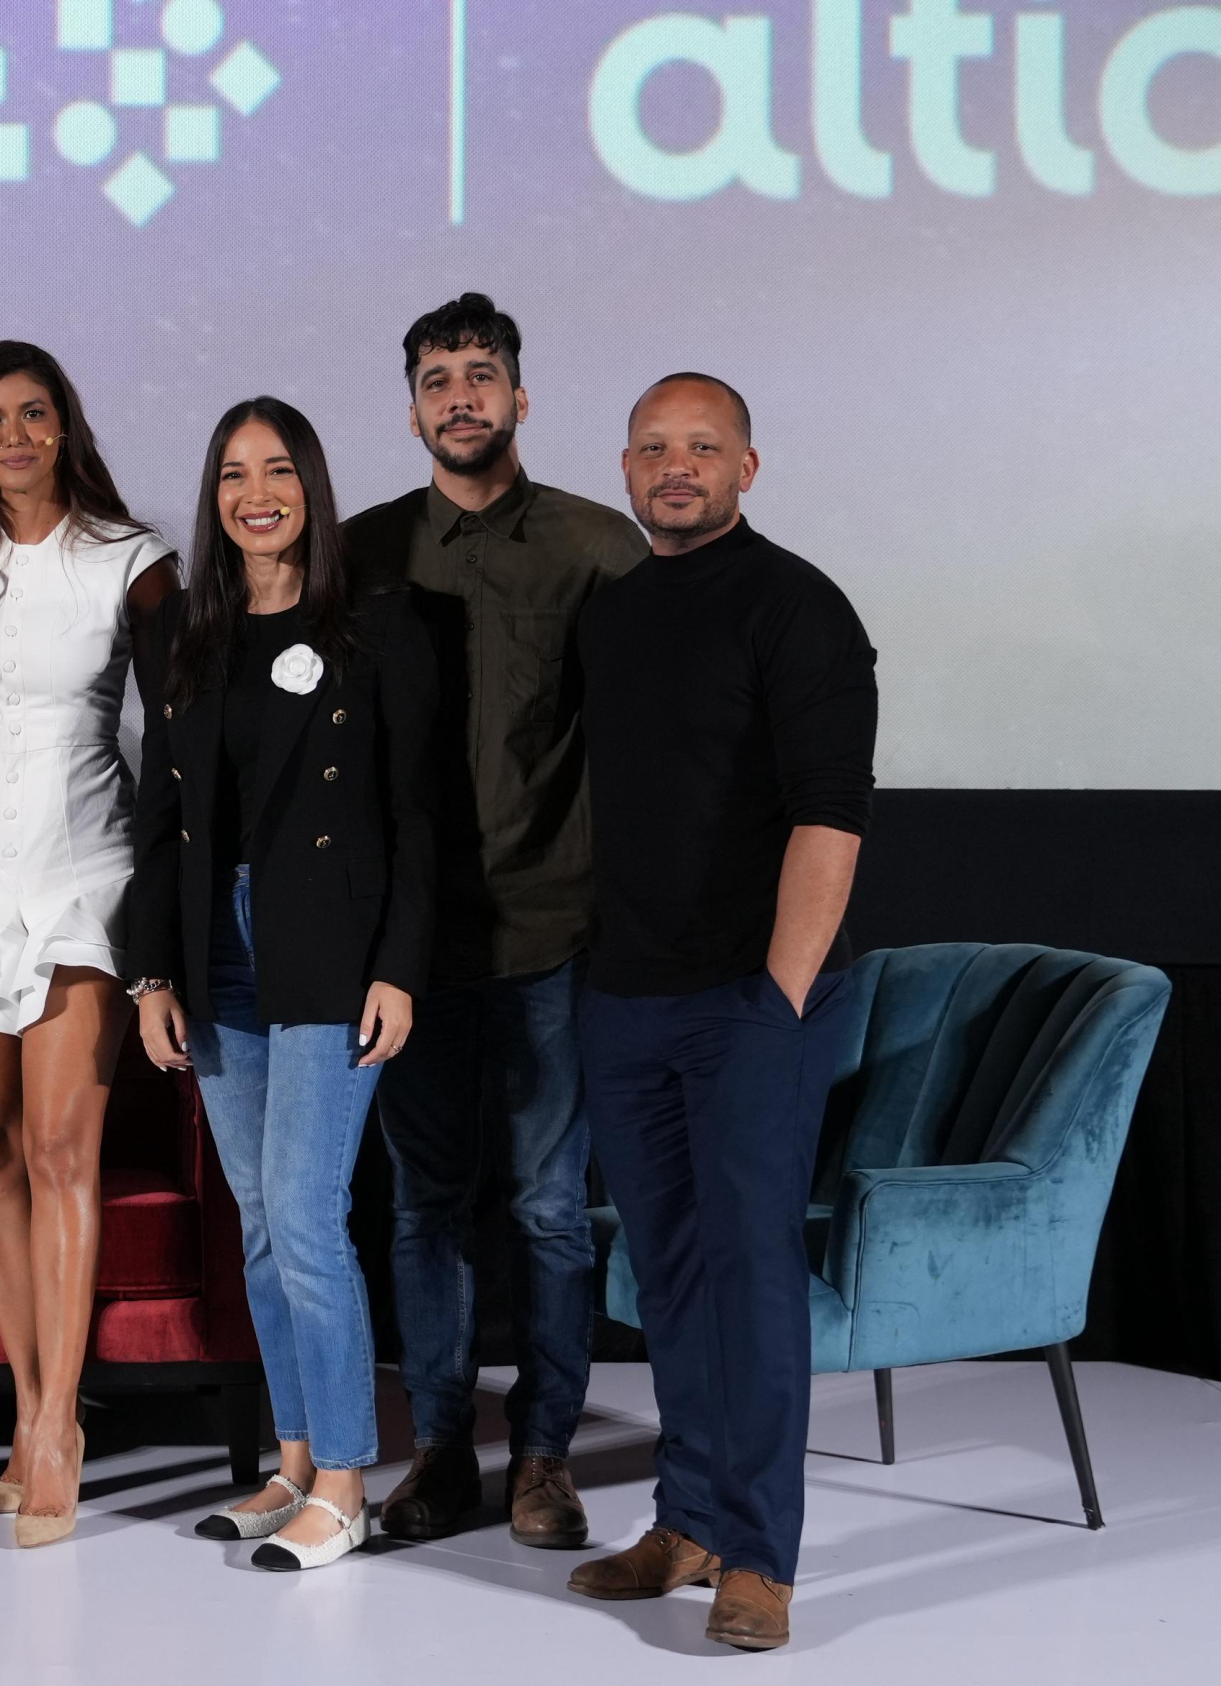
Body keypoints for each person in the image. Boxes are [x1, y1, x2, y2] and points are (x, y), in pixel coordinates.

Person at [566, 375, 876, 1651]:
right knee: (668, 1272)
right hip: (624, 997)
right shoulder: (618, 614)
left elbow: (830, 812)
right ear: (626, 469)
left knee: (751, 1278)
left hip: (753, 1003)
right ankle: (685, 1519)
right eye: (653, 449)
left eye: (702, 448)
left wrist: (780, 995)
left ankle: (759, 1559)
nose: (675, 467)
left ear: (750, 465)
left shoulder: (800, 607)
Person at [341, 293, 645, 1546]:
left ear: (521, 397)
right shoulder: (357, 555)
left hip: (553, 930)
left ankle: (546, 1456)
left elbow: (654, 737)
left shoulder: (597, 546)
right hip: (408, 948)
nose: (459, 396)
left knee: (545, 1208)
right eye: (436, 378)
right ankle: (442, 1457)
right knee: (421, 1205)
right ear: (409, 407)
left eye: (482, 375)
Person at [131, 398, 435, 1572]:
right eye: (231, 476)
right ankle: (297, 1456)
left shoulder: (381, 627)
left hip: (331, 949)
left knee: (309, 1218)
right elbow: (162, 818)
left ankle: (350, 1482)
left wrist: (400, 969)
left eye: (276, 470)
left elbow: (416, 816)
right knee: (261, 1225)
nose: (255, 493)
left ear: (311, 480)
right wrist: (152, 970)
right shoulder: (186, 638)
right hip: (219, 955)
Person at [0, 341, 176, 1547]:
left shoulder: (132, 561)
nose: (13, 436)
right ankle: (25, 1408)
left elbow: (175, 734)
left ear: (66, 425)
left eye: (34, 414)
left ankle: (61, 1425)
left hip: (82, 877)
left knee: (66, 1151)